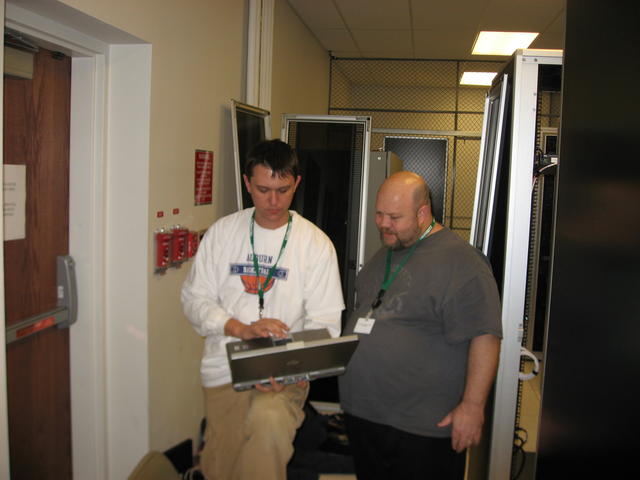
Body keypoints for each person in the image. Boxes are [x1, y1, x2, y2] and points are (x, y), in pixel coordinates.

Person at [181, 139, 344, 480]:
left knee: (267, 431)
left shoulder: (315, 245)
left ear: (296, 183)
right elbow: (195, 300)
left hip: (286, 375)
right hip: (225, 369)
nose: (273, 201)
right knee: (221, 467)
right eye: (263, 190)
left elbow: (326, 325)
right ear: (247, 183)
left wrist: (286, 369)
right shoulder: (223, 233)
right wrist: (240, 328)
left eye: (283, 190)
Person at [338, 171, 502, 480]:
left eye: (395, 217)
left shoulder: (463, 262)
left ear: (423, 213)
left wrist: (472, 405)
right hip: (363, 414)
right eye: (379, 214)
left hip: (421, 426)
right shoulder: (385, 254)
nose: (383, 224)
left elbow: (485, 335)